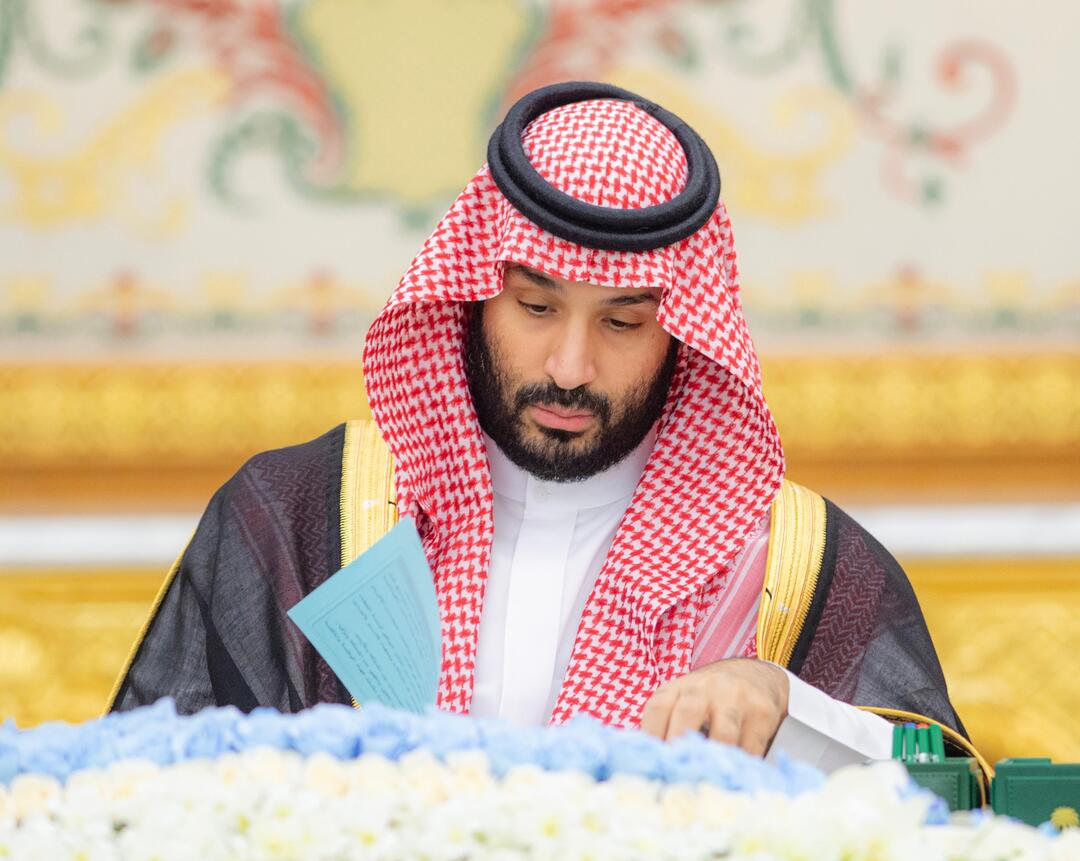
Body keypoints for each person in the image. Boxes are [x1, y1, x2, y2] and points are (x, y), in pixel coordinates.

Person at [110, 82, 970, 768]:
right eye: (535, 307)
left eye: (622, 323)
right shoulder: (299, 518)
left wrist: (788, 707)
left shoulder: (793, 564)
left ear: (684, 338)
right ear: (474, 298)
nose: (569, 366)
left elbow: (945, 803)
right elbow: (143, 791)